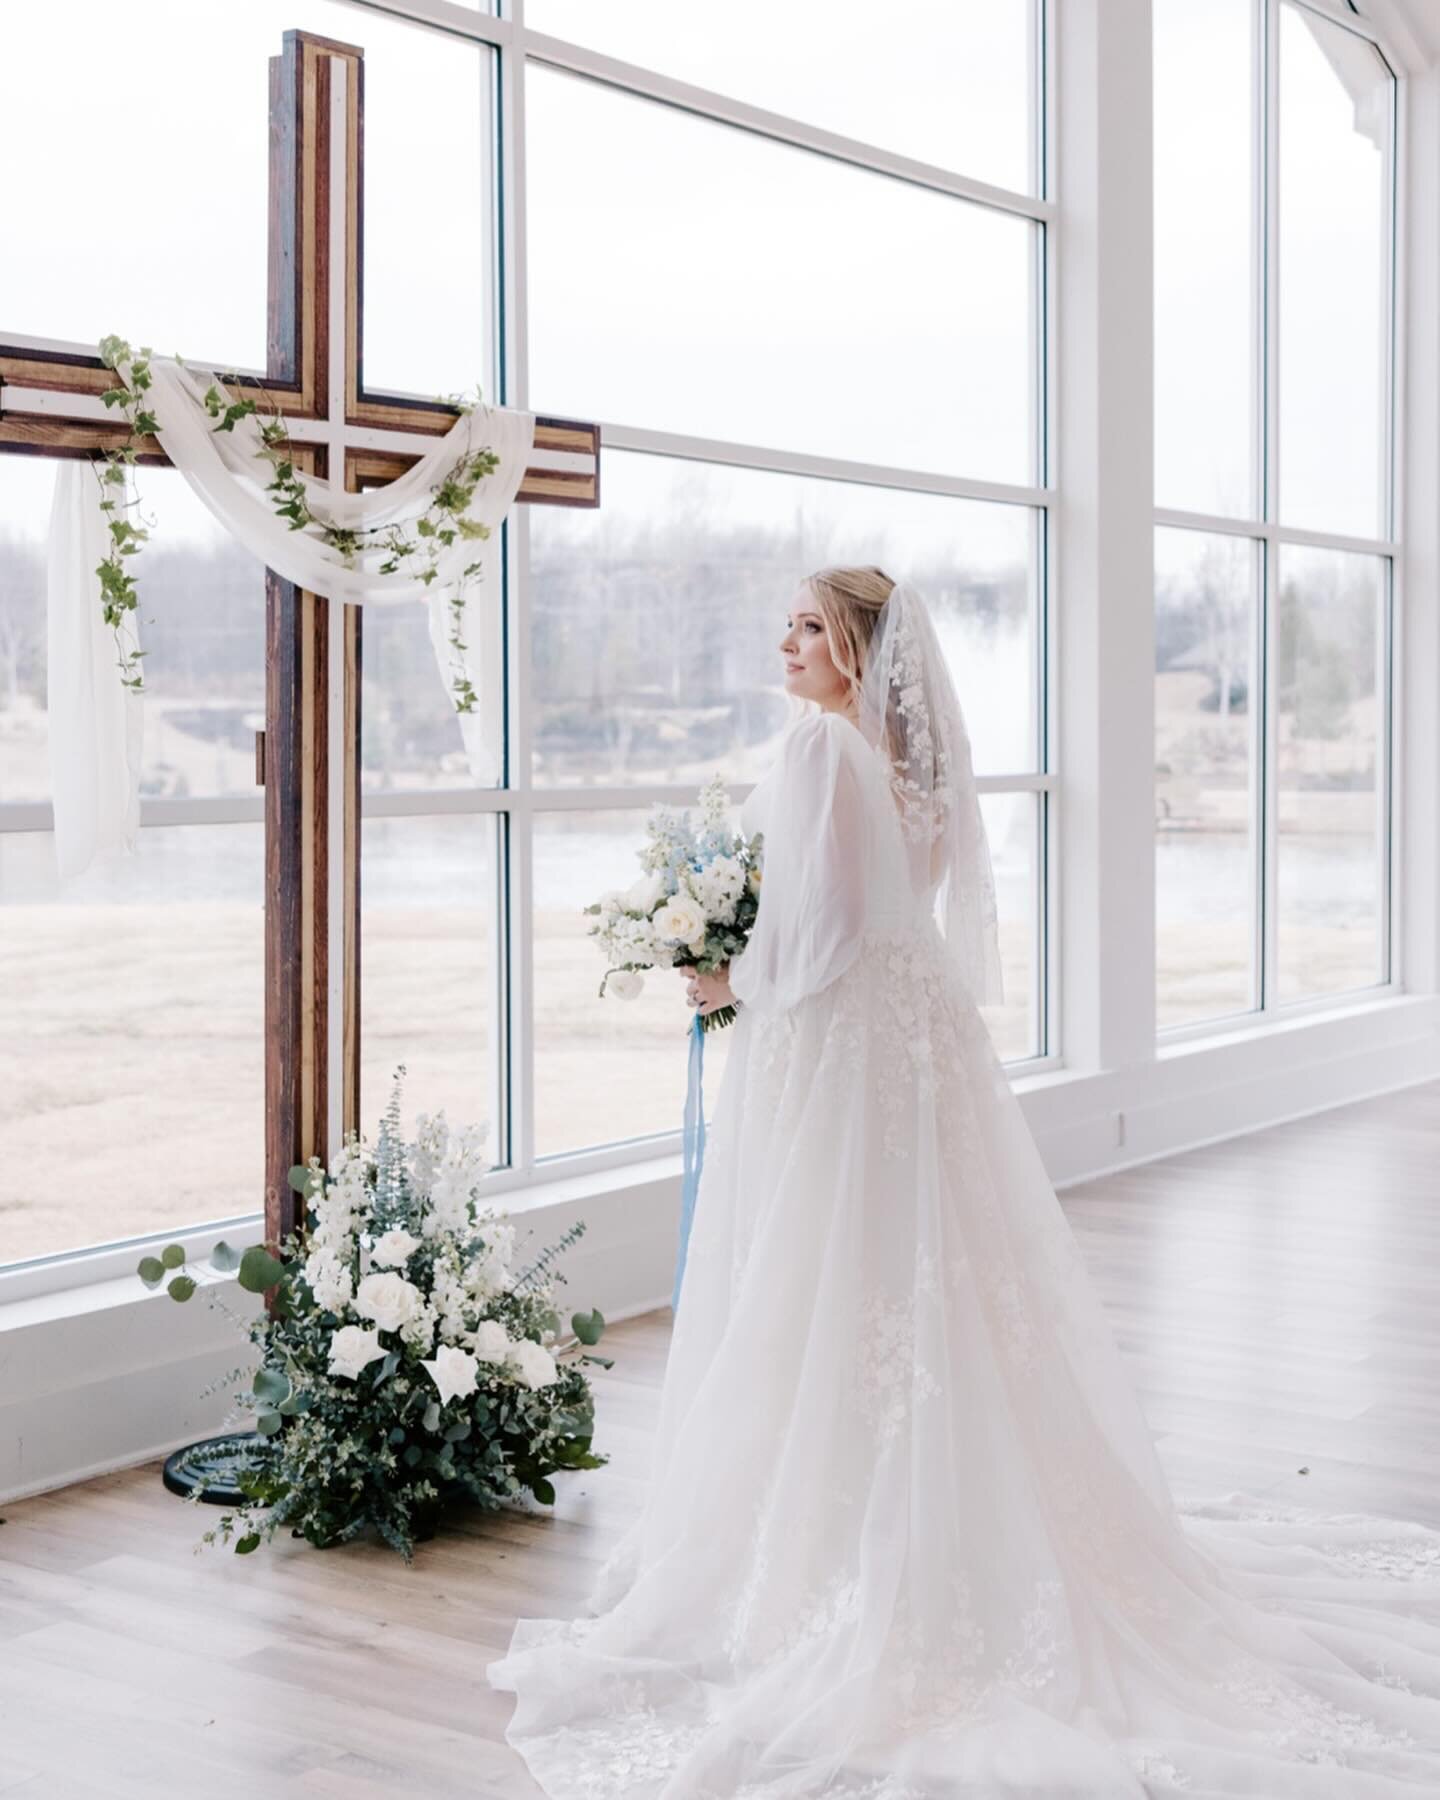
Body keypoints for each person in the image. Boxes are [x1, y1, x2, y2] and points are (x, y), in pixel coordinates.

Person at [487, 566, 1440, 1797]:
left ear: (860, 651)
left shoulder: (823, 756)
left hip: (835, 1050)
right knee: (930, 1277)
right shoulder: (912, 768)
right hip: (916, 1041)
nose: (787, 642)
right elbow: (888, 912)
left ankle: (834, 1549)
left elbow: (822, 935)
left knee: (830, 1273)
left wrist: (733, 980)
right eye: (787, 623)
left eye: (812, 628)